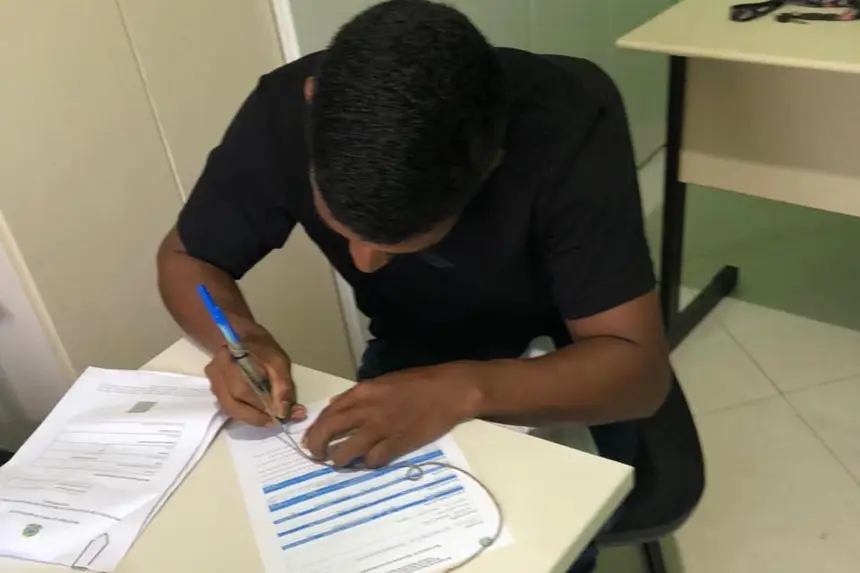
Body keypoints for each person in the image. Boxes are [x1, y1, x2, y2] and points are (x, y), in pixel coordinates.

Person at [156, 1, 670, 570]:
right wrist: (239, 339)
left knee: (544, 549)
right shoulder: (283, 112)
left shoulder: (567, 128)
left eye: (399, 245)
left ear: (491, 166)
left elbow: (638, 373)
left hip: (569, 362)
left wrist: (465, 390)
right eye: (341, 230)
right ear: (312, 102)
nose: (363, 263)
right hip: (413, 346)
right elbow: (188, 257)